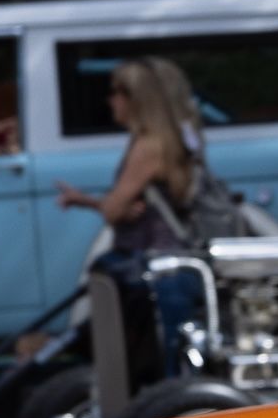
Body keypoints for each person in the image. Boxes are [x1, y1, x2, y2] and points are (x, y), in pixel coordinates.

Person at [56, 55, 207, 373]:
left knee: (151, 364)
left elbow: (114, 210)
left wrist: (115, 207)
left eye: (115, 92)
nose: (110, 100)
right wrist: (89, 201)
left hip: (150, 275)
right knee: (173, 361)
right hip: (174, 269)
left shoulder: (147, 146)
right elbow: (128, 206)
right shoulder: (179, 139)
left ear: (135, 99)